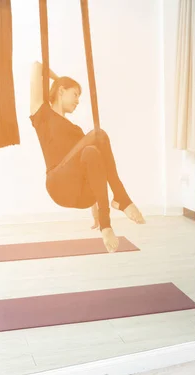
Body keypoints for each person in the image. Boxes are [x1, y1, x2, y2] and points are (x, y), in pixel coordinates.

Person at [29, 61, 146, 253]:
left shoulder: (77, 131)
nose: (77, 100)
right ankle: (119, 200)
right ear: (61, 91)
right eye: (75, 94)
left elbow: (91, 166)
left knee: (92, 150)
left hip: (82, 194)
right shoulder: (42, 114)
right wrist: (58, 79)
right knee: (97, 136)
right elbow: (36, 66)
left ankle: (106, 219)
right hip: (58, 184)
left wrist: (95, 206)